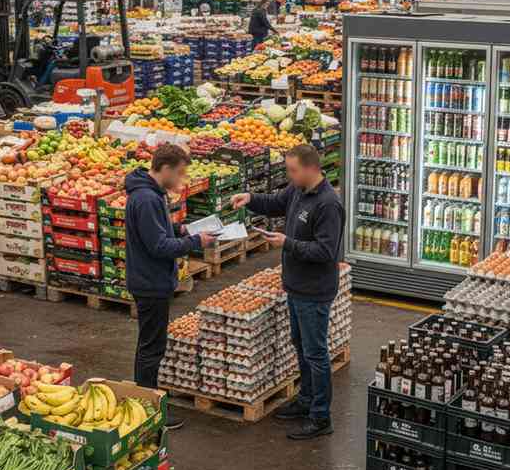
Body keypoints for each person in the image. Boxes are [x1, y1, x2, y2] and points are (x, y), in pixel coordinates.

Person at [231, 144, 345, 440]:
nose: (289, 175)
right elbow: (275, 202)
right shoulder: (298, 190)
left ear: (311, 168)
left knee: (316, 354)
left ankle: (321, 417)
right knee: (301, 346)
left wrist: (287, 243)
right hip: (295, 286)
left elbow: (325, 251)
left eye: (293, 170)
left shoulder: (328, 204)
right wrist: (250, 198)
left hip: (314, 291)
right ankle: (306, 400)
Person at [125, 144, 216, 429]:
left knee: (150, 343)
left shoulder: (151, 194)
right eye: (179, 173)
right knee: (152, 347)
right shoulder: (146, 199)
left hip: (150, 279)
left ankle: (145, 401)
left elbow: (157, 232)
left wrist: (181, 229)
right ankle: (150, 410)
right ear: (165, 169)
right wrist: (195, 242)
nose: (181, 179)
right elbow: (158, 246)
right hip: (150, 282)